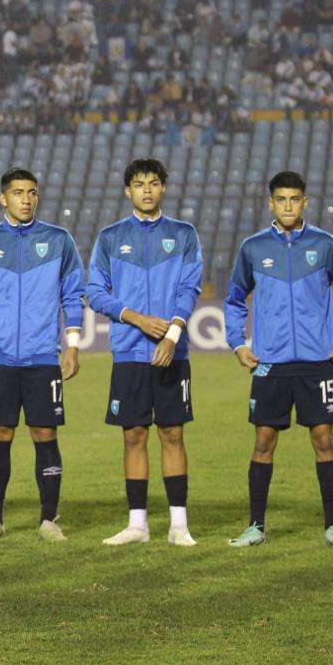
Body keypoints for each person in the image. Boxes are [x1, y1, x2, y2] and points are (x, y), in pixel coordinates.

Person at [223, 171, 333, 547]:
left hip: (317, 361)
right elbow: (235, 298)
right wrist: (237, 343)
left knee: (323, 439)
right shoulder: (253, 248)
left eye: (295, 199)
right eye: (281, 199)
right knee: (264, 440)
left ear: (305, 202)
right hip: (270, 362)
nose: (288, 205)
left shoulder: (325, 244)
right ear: (271, 203)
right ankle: (256, 527)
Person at [0, 167, 84, 542]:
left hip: (43, 356)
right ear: (3, 199)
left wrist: (73, 344)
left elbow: (73, 294)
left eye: (31, 192)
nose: (26, 199)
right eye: (18, 193)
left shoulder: (58, 239)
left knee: (44, 433)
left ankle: (49, 520)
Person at [86, 158, 202, 547]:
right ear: (128, 191)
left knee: (172, 433)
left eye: (154, 183)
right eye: (139, 184)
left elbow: (190, 288)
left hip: (172, 352)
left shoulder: (183, 234)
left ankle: (179, 526)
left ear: (163, 189)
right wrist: (135, 318)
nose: (147, 190)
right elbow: (96, 292)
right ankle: (138, 525)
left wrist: (172, 333)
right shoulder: (109, 237)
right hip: (129, 353)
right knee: (133, 435)